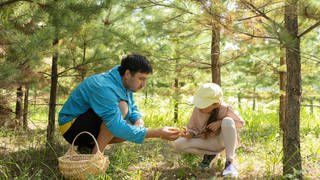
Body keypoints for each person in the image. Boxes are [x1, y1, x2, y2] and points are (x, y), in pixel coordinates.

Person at [58, 54, 180, 154]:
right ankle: (95, 156)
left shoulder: (123, 81)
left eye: (146, 79)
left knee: (131, 123)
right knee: (122, 108)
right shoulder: (104, 86)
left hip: (87, 123)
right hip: (71, 127)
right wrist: (158, 133)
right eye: (141, 78)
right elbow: (116, 126)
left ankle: (88, 148)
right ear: (127, 74)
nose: (143, 85)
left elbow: (132, 105)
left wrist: (138, 118)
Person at [173, 83, 245, 177]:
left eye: (203, 104)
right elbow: (193, 129)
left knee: (228, 121)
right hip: (207, 142)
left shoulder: (225, 108)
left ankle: (229, 163)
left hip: (223, 142)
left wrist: (220, 122)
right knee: (178, 144)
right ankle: (211, 155)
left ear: (215, 104)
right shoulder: (198, 110)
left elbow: (240, 123)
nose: (200, 107)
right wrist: (188, 134)